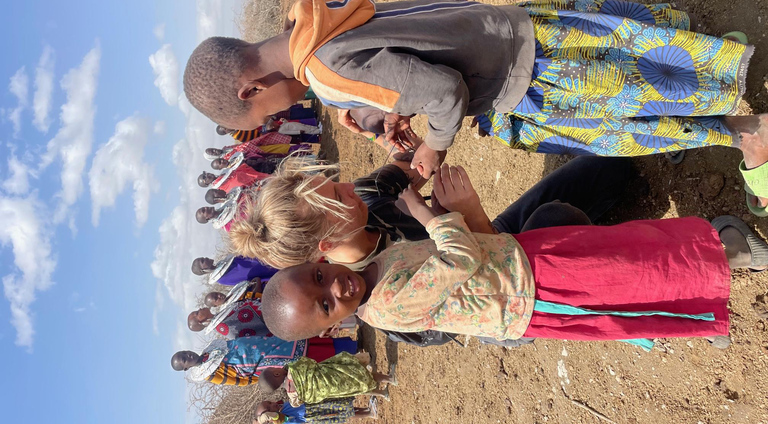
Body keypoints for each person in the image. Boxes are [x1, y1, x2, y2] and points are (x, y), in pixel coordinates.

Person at [183, 0, 768, 214]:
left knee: (623, 105)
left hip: (528, 77)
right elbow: (402, 50)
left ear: (250, 89)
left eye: (267, 113)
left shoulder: (326, 72)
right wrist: (389, 107)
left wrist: (433, 150)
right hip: (508, 28)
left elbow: (445, 93)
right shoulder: (307, 19)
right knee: (620, 46)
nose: (281, 115)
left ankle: (746, 128)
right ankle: (708, 66)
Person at [259, 164, 768, 350]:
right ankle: (717, 267)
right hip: (528, 291)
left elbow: (456, 245)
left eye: (321, 279)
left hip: (514, 258)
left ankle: (703, 267)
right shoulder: (390, 309)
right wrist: (440, 212)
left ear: (320, 262)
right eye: (325, 304)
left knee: (620, 253)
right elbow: (460, 262)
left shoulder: (373, 252)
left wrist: (424, 181)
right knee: (622, 277)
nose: (356, 189)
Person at [228, 153, 633, 270]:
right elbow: (491, 272)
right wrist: (464, 212)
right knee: (553, 219)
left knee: (607, 168)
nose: (353, 188)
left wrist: (406, 148)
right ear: (328, 243)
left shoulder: (366, 197)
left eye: (337, 183)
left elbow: (410, 166)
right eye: (341, 196)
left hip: (486, 234)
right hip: (503, 281)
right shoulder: (376, 285)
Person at [259, 352, 394, 406]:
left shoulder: (293, 397)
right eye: (274, 369)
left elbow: (303, 402)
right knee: (361, 374)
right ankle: (389, 378)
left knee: (361, 386)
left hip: (336, 389)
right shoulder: (295, 369)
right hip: (334, 374)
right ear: (276, 374)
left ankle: (383, 393)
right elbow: (310, 362)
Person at [170, 335, 310, 386]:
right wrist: (257, 377)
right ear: (186, 368)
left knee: (287, 339)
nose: (188, 355)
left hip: (261, 344)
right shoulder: (209, 375)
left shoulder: (210, 349)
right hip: (256, 363)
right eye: (184, 359)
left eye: (185, 352)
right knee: (290, 355)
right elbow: (238, 381)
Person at [254, 397, 377, 423]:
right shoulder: (282, 420)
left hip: (315, 406)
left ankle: (366, 409)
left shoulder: (283, 407)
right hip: (315, 415)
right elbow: (294, 421)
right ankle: (369, 414)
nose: (273, 404)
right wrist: (271, 416)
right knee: (343, 414)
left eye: (270, 402)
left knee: (343, 406)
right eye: (269, 408)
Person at [191, 255, 278, 286]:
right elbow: (245, 275)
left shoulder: (223, 262)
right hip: (262, 269)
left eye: (202, 258)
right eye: (203, 261)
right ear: (203, 270)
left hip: (262, 261)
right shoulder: (221, 279)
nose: (205, 258)